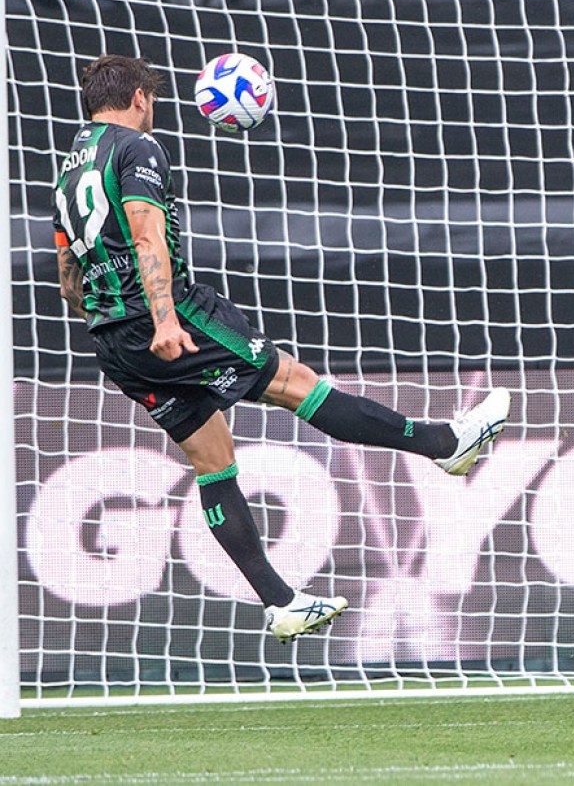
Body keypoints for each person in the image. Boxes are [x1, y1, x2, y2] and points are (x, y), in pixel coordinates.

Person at [53, 55, 510, 642]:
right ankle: (444, 444)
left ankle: (280, 602)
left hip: (112, 337)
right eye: (155, 100)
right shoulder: (136, 148)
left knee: (213, 460)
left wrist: (119, 325)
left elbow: (69, 272)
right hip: (169, 317)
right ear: (140, 97)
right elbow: (146, 235)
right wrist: (165, 320)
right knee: (296, 384)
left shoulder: (70, 168)